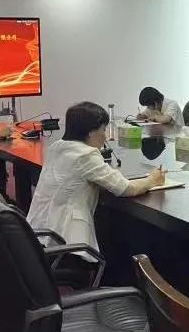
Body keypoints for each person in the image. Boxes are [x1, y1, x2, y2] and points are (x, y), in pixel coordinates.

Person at [27, 102, 166, 274]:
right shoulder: (85, 154)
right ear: (91, 132)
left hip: (39, 236)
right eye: (103, 130)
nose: (105, 136)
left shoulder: (57, 148)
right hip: (67, 245)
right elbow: (126, 188)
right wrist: (152, 180)